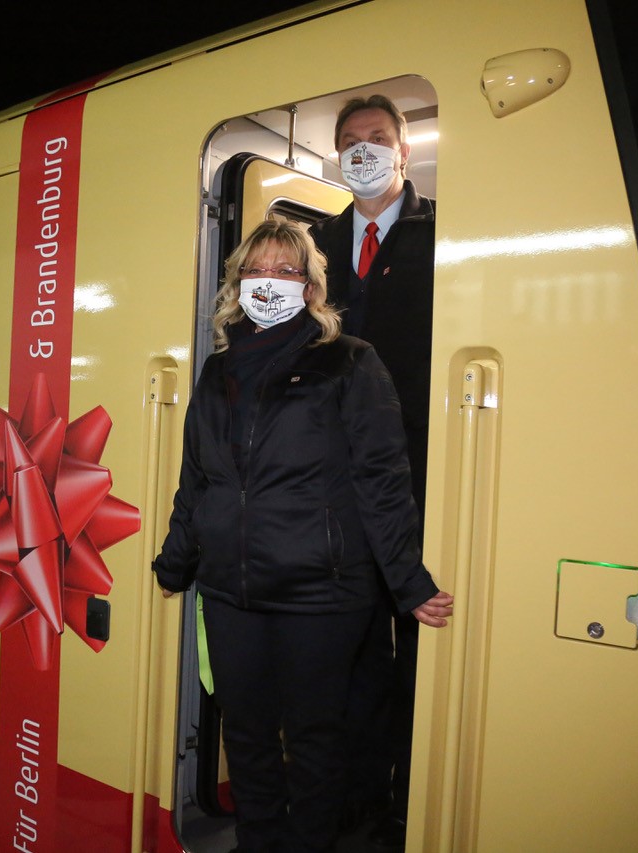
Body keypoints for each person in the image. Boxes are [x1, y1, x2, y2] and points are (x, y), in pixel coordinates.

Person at [152, 219, 452, 853]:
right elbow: (198, 479)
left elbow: (383, 480)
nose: (270, 281)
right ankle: (258, 843)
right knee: (248, 738)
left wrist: (407, 581)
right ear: (237, 285)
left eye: (286, 270)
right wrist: (176, 560)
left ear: (312, 289)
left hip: (321, 593)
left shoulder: (350, 362)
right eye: (257, 269)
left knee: (315, 741)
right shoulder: (217, 371)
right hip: (231, 591)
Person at [309, 94, 436, 848]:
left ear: (405, 151)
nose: (365, 150)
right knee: (350, 659)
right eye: (351, 140)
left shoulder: (444, 233)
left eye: (378, 139)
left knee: (418, 651)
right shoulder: (314, 247)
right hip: (329, 488)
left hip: (420, 480)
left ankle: (408, 808)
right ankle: (354, 810)